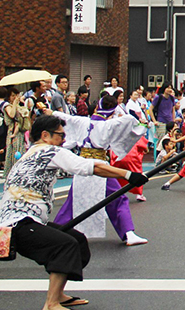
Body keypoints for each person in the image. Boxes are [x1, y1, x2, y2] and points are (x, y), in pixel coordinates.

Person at [0, 114, 147, 310]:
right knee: (64, 245)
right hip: (19, 224)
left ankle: (58, 294)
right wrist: (127, 175)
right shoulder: (49, 151)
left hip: (23, 222)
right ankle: (50, 306)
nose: (64, 140)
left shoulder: (29, 153)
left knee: (76, 239)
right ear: (45, 135)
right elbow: (92, 166)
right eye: (60, 135)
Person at [48, 98, 149, 246]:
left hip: (82, 165)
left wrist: (51, 112)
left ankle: (56, 232)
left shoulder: (81, 121)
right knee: (118, 198)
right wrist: (140, 124)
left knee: (74, 200)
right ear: (112, 111)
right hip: (101, 167)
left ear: (97, 107)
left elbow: (65, 118)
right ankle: (129, 233)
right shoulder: (110, 124)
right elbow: (131, 122)